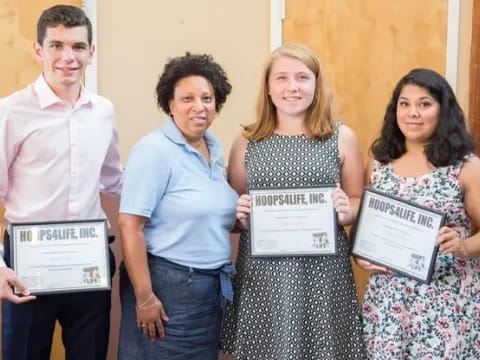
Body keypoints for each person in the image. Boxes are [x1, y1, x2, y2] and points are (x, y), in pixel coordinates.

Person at [220, 43, 366, 359]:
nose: (292, 87)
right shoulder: (247, 140)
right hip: (263, 273)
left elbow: (357, 201)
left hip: (324, 271)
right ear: (268, 89)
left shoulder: (342, 137)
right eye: (282, 78)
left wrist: (345, 212)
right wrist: (239, 216)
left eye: (302, 77)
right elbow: (233, 212)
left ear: (317, 84)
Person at [0, 5, 123, 360]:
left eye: (78, 47)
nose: (68, 57)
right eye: (56, 46)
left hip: (89, 262)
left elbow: (114, 179)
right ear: (38, 50)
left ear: (91, 52)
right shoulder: (11, 111)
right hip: (26, 266)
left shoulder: (103, 111)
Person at [117, 53, 238, 360]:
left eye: (207, 98)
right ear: (169, 105)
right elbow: (130, 226)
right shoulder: (154, 151)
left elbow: (210, 216)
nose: (199, 106)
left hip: (208, 293)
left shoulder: (214, 148)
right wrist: (145, 299)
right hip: (168, 289)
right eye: (187, 98)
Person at [357, 68, 480, 359]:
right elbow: (365, 228)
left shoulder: (466, 167)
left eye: (424, 104)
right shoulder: (378, 165)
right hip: (388, 303)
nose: (413, 113)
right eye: (405, 103)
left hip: (446, 301)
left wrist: (463, 246)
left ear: (443, 110)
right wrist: (362, 255)